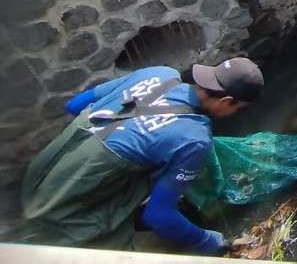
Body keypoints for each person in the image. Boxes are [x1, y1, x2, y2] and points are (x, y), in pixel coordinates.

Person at [20, 58, 264, 253]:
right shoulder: (193, 138)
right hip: (62, 211)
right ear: (227, 100)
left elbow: (74, 105)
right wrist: (210, 241)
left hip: (43, 174)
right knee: (115, 253)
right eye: (237, 109)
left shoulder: (159, 73)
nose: (233, 113)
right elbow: (157, 216)